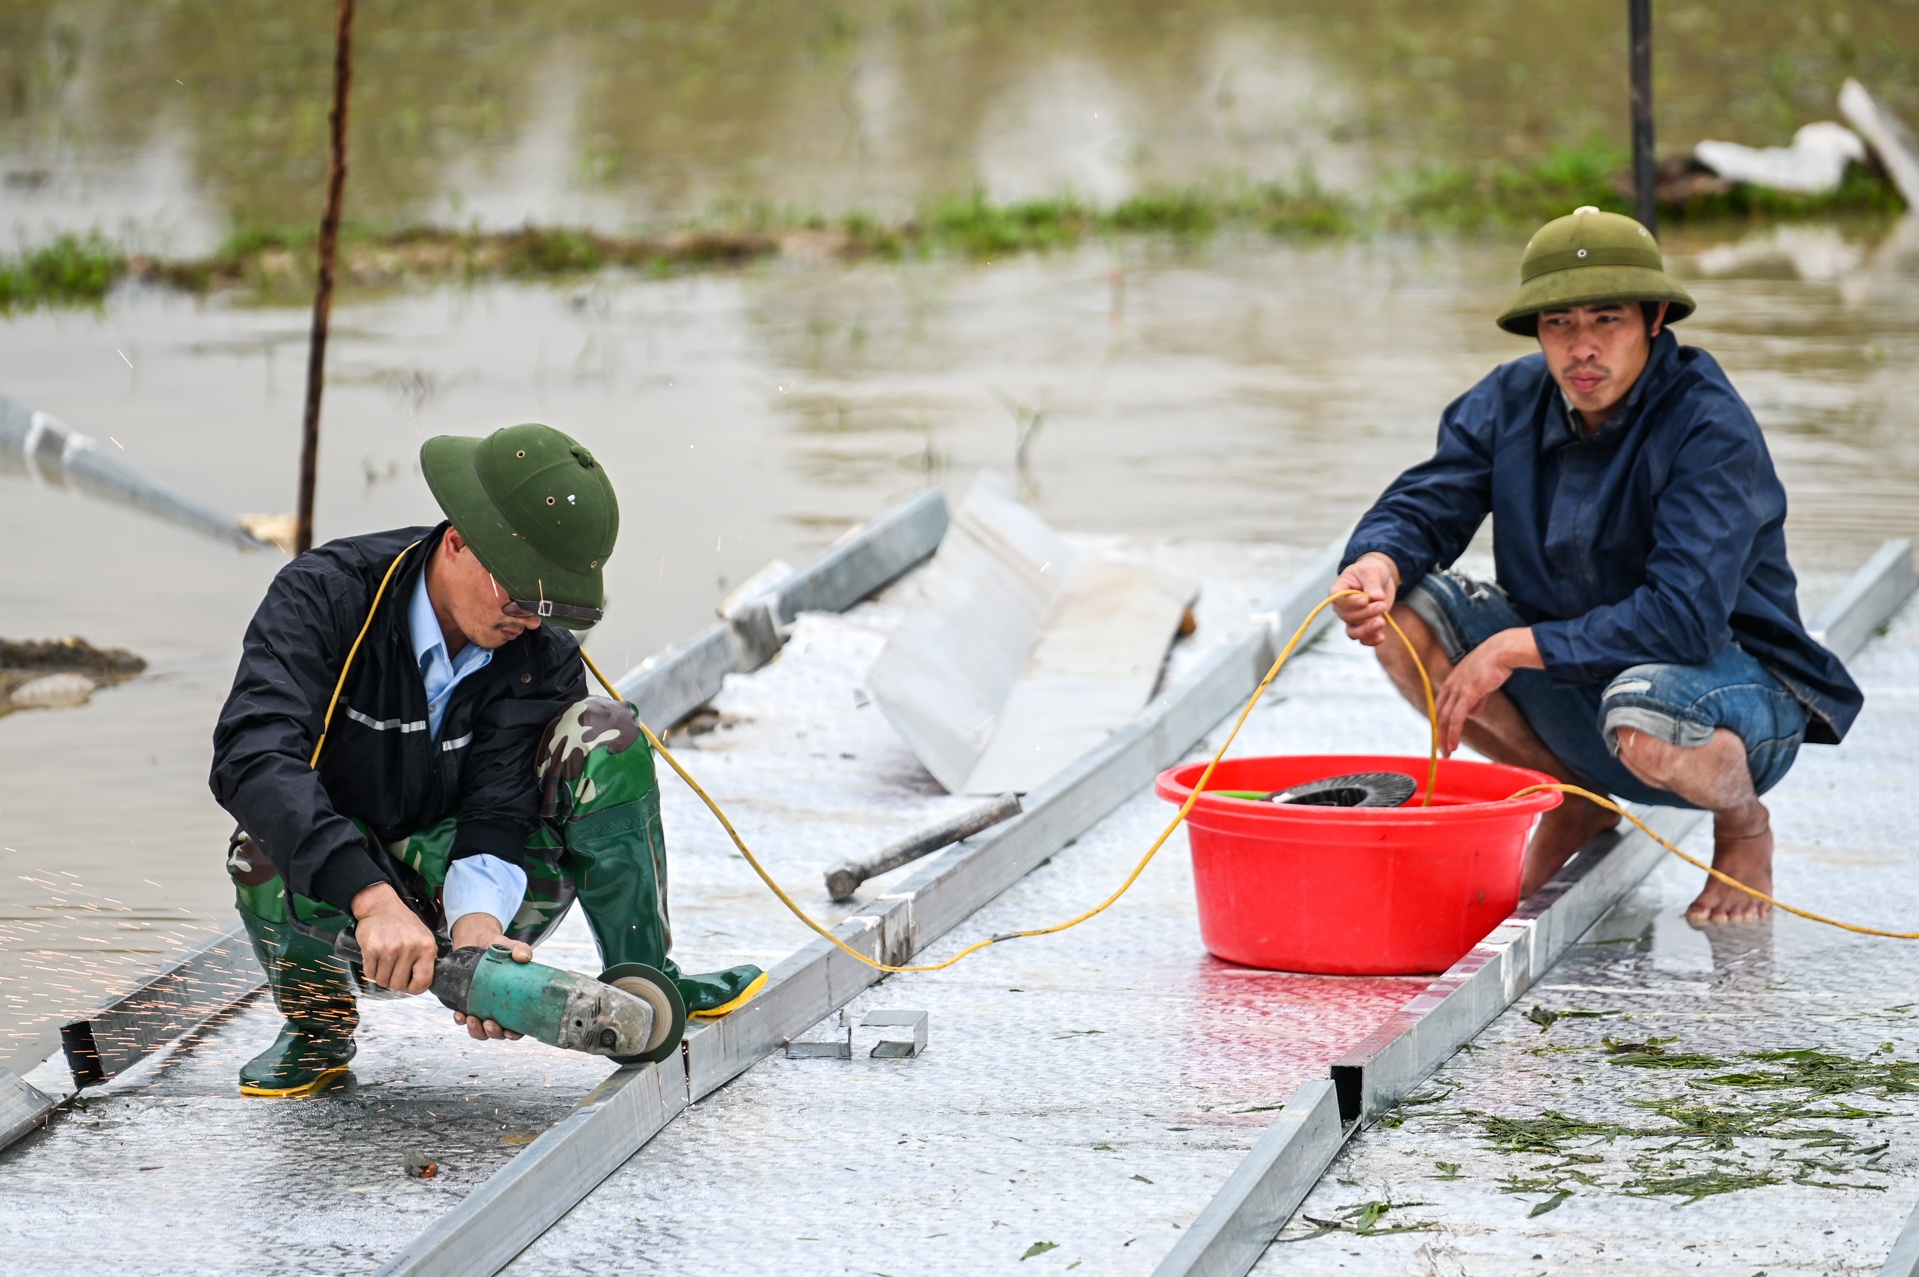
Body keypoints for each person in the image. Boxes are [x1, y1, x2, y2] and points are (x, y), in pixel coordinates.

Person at [1330, 207, 1862, 924]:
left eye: (1605, 319)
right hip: (1575, 677)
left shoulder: (1706, 424)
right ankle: (1576, 801)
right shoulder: (1507, 399)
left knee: (1641, 706)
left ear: (1654, 317)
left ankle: (1742, 827)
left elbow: (1682, 618)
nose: (1580, 348)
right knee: (1398, 615)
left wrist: (1513, 646)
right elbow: (1427, 502)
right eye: (1558, 324)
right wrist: (1375, 558)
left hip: (1723, 688)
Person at [210, 422, 764, 1097]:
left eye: (549, 604)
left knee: (606, 733)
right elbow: (250, 753)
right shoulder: (323, 597)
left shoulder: (538, 650)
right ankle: (317, 1027)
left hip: (483, 873)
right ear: (456, 543)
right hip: (351, 898)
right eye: (520, 596)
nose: (530, 620)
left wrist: (478, 930)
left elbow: (500, 804)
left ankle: (647, 978)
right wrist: (370, 895)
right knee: (256, 847)